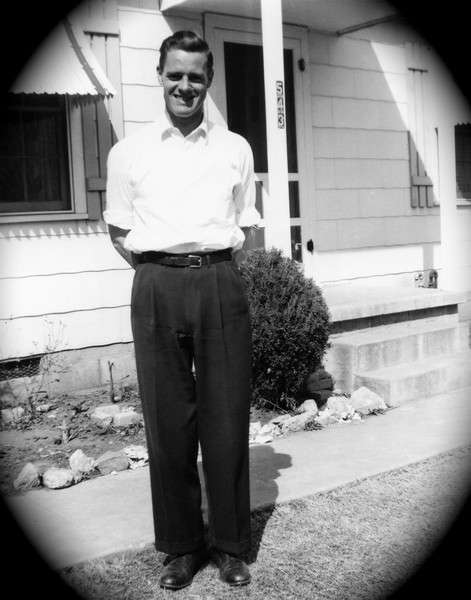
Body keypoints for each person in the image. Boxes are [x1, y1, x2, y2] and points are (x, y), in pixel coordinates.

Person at [103, 30, 261, 590]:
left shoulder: (235, 148)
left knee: (226, 420)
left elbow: (246, 226)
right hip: (156, 286)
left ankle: (230, 546)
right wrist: (160, 273)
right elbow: (119, 230)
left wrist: (210, 274)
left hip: (220, 282)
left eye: (196, 76)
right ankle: (181, 547)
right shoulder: (129, 152)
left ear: (209, 80)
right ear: (160, 76)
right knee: (168, 424)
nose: (185, 86)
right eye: (175, 74)